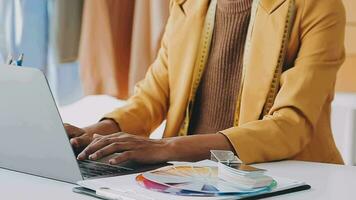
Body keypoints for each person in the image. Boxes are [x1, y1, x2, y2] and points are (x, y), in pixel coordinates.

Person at [65, 0, 346, 165]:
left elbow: (291, 125)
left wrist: (167, 148)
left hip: (286, 180)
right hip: (190, 181)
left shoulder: (319, 7)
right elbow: (152, 97)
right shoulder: (187, 4)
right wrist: (95, 134)